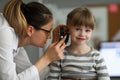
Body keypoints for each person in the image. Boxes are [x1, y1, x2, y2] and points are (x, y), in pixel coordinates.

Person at [0, 0, 66, 80]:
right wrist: (46, 58)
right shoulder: (4, 33)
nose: (49, 37)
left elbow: (32, 74)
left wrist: (51, 54)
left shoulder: (17, 43)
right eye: (48, 32)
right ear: (30, 30)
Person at [47, 7, 110, 80]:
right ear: (68, 29)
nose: (82, 34)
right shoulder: (59, 55)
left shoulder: (97, 57)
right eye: (77, 29)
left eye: (87, 30)